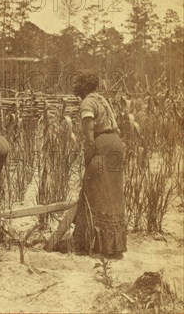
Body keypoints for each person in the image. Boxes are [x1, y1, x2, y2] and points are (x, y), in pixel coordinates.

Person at [71, 70, 127, 259]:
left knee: (94, 190)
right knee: (113, 192)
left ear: (82, 86)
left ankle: (92, 245)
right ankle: (114, 245)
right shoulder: (102, 100)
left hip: (102, 146)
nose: (73, 87)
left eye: (76, 83)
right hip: (115, 144)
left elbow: (88, 138)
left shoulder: (87, 102)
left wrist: (88, 160)